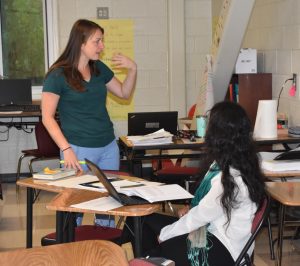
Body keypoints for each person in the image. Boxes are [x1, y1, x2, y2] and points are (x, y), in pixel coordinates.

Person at [121, 101, 266, 266]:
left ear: (218, 135)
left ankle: (141, 258)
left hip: (221, 248)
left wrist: (165, 234)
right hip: (212, 231)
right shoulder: (240, 162)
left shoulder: (229, 178)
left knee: (157, 243)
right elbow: (207, 209)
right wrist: (189, 210)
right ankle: (142, 257)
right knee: (139, 220)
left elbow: (200, 217)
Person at [42, 19, 137, 226]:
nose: (102, 46)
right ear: (81, 43)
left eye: (102, 41)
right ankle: (71, 251)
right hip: (77, 149)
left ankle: (103, 249)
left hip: (108, 147)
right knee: (74, 205)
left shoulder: (98, 68)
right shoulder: (57, 75)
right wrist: (66, 149)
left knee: (108, 205)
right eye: (97, 41)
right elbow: (47, 117)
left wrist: (132, 70)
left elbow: (124, 92)